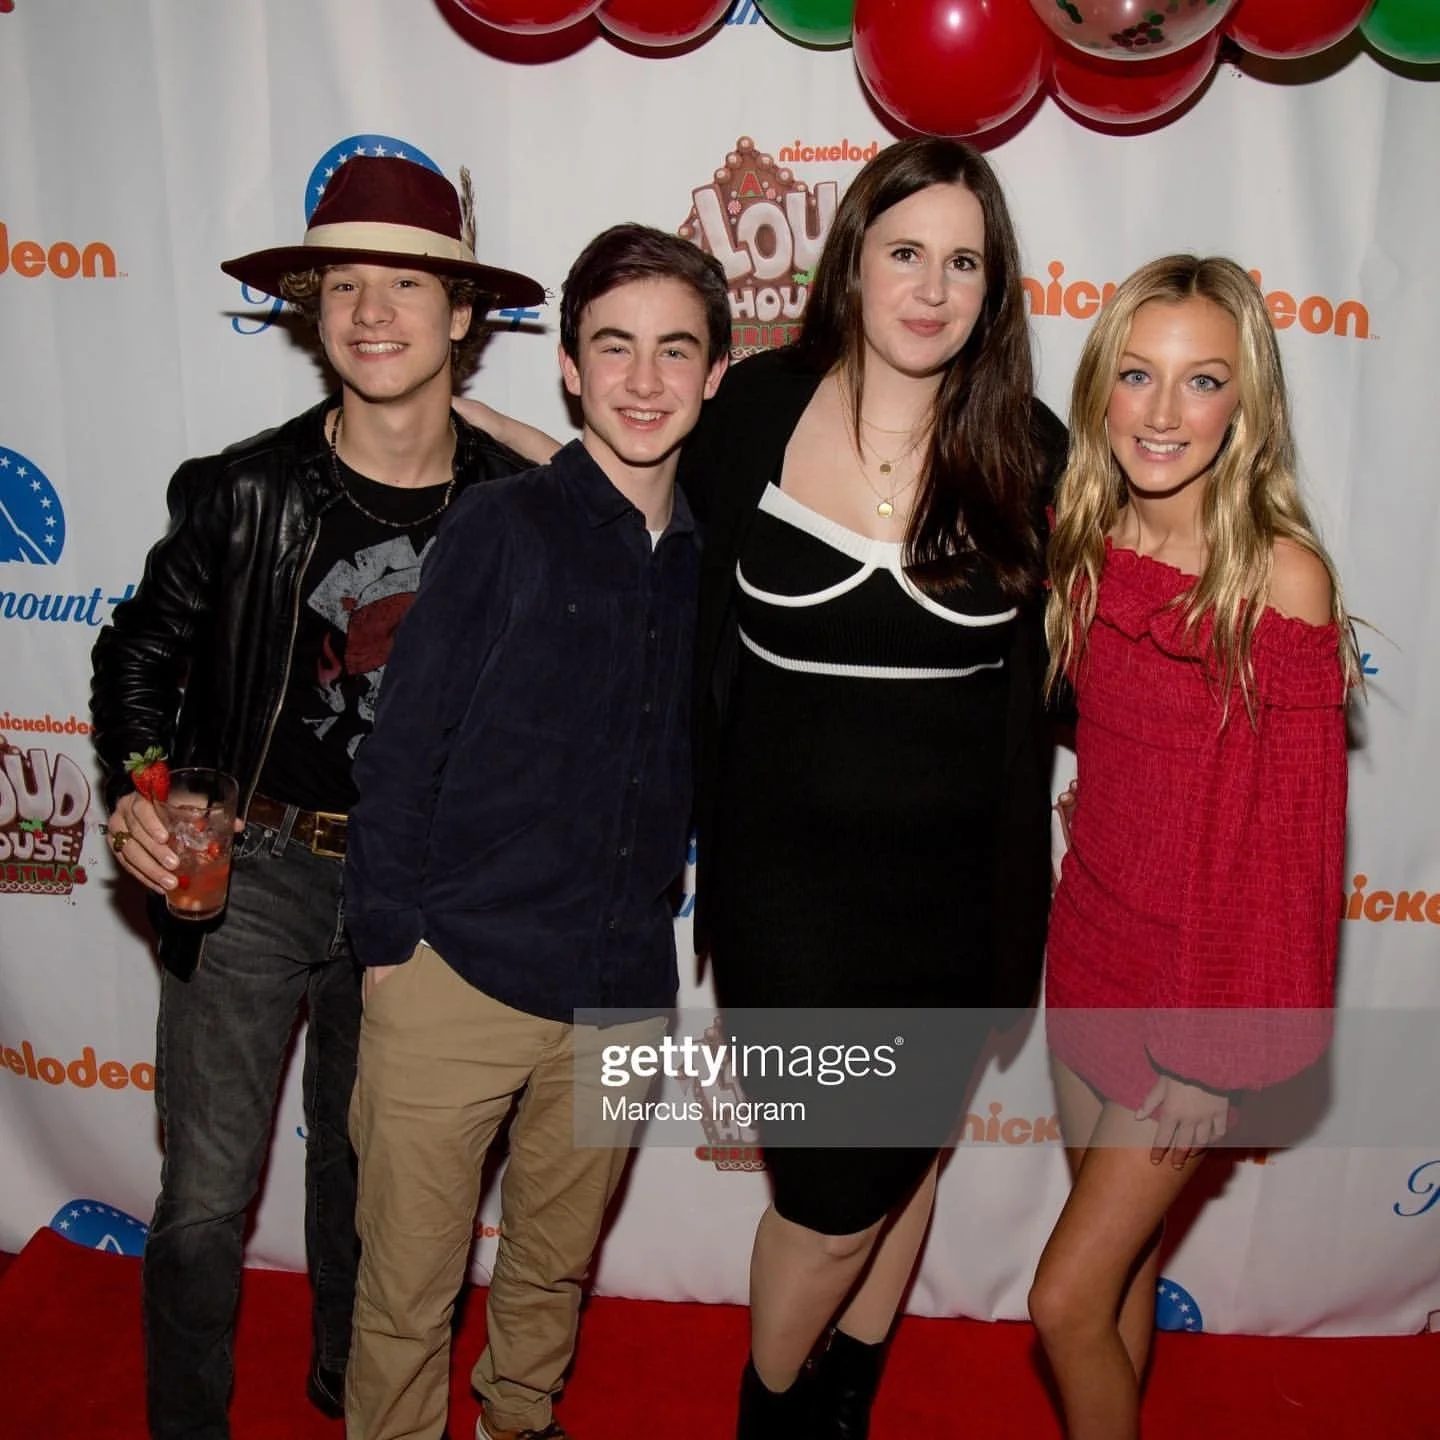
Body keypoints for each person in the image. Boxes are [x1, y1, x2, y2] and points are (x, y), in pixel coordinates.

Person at [89, 153, 543, 1440]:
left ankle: (354, 1405)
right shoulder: (246, 488)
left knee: (378, 1191)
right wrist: (143, 786)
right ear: (312, 307)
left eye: (408, 283)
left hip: (420, 893)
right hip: (250, 872)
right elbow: (137, 656)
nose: (373, 310)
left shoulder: (517, 512)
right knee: (201, 1198)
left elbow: (642, 533)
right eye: (344, 283)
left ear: (464, 317)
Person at [674, 137, 1067, 1438]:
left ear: (994, 289)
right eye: (907, 250)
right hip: (792, 906)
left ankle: (841, 1406)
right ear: (852, 258)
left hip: (958, 909)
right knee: (832, 1199)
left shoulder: (1030, 449)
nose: (932, 286)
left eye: (965, 261)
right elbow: (619, 502)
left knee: (904, 1173)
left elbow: (1093, 659)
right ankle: (771, 1419)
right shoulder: (750, 418)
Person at [341, 223, 730, 1440]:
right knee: (405, 1297)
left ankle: (521, 1421)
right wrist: (392, 953)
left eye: (678, 351)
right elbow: (402, 750)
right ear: (568, 367)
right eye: (615, 348)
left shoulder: (714, 563)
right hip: (456, 973)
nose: (646, 380)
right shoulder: (502, 530)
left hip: (621, 990)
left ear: (718, 375)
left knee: (552, 1273)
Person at [1030, 255, 1357, 1440]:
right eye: (1137, 375)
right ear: (1100, 389)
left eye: (1201, 381)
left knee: (1061, 1299)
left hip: (1196, 992)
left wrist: (1216, 1055)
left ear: (1245, 404)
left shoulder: (1281, 580)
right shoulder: (1085, 530)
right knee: (1114, 1275)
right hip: (1092, 942)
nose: (1163, 414)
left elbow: (1293, 859)